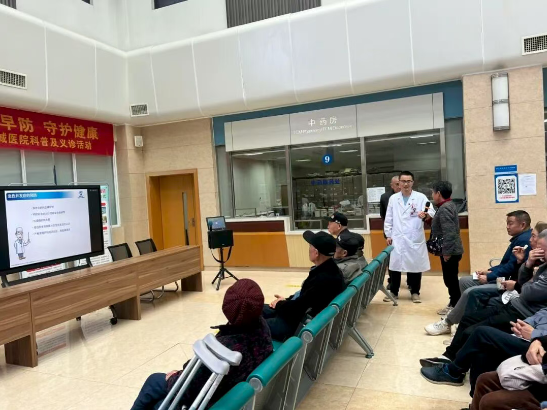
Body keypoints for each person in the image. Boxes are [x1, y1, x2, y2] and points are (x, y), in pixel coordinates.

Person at [419, 230, 547, 385]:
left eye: (542, 249)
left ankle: (454, 371)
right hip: (515, 303)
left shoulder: (535, 256)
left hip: (520, 311)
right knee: (469, 317)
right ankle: (448, 357)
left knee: (474, 319)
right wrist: (526, 265)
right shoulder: (538, 260)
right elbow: (520, 281)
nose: (537, 250)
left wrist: (520, 279)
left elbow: (525, 290)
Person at [131, 279, 273, 410]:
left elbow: (190, 386)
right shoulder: (262, 327)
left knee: (154, 382)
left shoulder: (226, 349)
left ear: (227, 307)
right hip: (233, 390)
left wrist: (174, 378)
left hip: (212, 399)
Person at [425, 211, 532, 336]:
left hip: (508, 283)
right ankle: (463, 318)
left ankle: (449, 322)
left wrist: (489, 276)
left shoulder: (524, 240)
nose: (507, 227)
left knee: (470, 292)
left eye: (510, 223)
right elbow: (507, 264)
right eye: (507, 223)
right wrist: (489, 271)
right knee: (465, 281)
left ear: (522, 225)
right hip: (504, 277)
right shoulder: (519, 238)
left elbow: (510, 268)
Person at [421, 307, 547, 394]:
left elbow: (531, 292)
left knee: (482, 333)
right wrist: (525, 324)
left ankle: (453, 371)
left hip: (541, 349)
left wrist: (535, 334)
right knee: (482, 353)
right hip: (530, 332)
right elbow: (544, 311)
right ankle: (476, 403)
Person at [262, 231, 345, 341]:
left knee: (250, 323)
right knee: (255, 309)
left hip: (296, 324)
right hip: (301, 316)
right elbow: (304, 301)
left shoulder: (322, 279)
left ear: (316, 252)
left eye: (310, 246)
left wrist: (279, 304)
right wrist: (285, 301)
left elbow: (297, 309)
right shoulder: (332, 270)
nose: (309, 249)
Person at [384, 171, 434, 303]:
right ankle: (393, 292)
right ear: (398, 183)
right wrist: (388, 234)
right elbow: (389, 218)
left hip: (414, 236)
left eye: (408, 181)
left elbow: (431, 211)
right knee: (395, 266)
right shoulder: (393, 198)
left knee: (415, 265)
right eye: (403, 181)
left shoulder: (420, 197)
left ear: (413, 182)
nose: (406, 184)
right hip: (397, 237)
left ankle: (415, 292)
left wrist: (425, 214)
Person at [469, 336, 547, 410]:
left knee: (490, 401)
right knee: (485, 379)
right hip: (540, 373)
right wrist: (538, 341)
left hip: (542, 390)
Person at [430, 181, 464, 316]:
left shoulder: (444, 208)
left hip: (451, 251)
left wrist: (447, 252)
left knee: (450, 280)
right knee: (450, 279)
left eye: (433, 192)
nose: (432, 195)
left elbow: (449, 232)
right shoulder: (448, 205)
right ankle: (455, 303)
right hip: (452, 249)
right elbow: (441, 226)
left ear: (438, 193)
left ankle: (455, 306)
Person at [380, 175, 401, 290]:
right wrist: (387, 233)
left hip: (405, 232)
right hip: (391, 233)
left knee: (408, 257)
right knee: (392, 258)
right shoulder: (385, 197)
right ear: (391, 185)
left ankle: (410, 281)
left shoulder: (407, 196)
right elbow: (384, 216)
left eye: (400, 183)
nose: (399, 186)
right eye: (397, 184)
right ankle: (392, 281)